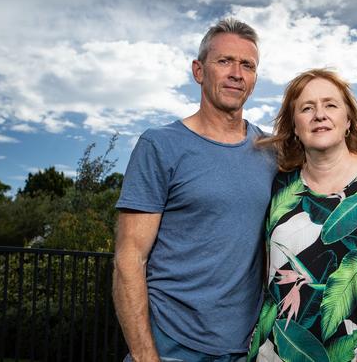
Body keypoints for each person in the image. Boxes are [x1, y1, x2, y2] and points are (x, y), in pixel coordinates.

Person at [113, 18, 277, 362]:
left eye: (247, 65)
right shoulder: (160, 145)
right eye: (224, 61)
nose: (236, 72)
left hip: (246, 346)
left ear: (254, 79)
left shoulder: (270, 152)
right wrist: (146, 357)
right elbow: (130, 259)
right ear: (198, 71)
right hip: (170, 343)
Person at [248, 69, 357, 361]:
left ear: (348, 121)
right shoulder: (280, 186)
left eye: (330, 105)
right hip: (277, 352)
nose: (319, 114)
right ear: (295, 126)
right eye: (307, 108)